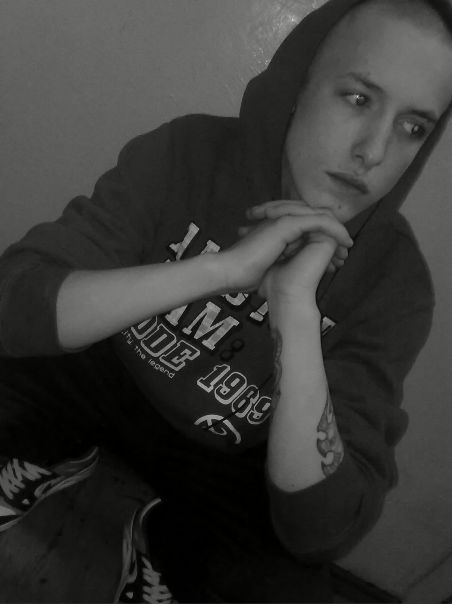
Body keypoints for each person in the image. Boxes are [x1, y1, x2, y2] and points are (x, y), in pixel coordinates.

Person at [1, 0, 451, 601]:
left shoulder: (396, 282)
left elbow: (322, 528)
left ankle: (161, 538)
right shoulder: (189, 151)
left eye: (413, 127)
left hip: (230, 456)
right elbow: (14, 301)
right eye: (358, 98)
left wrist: (295, 310)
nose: (374, 151)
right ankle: (51, 451)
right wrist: (222, 270)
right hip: (102, 368)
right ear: (299, 84)